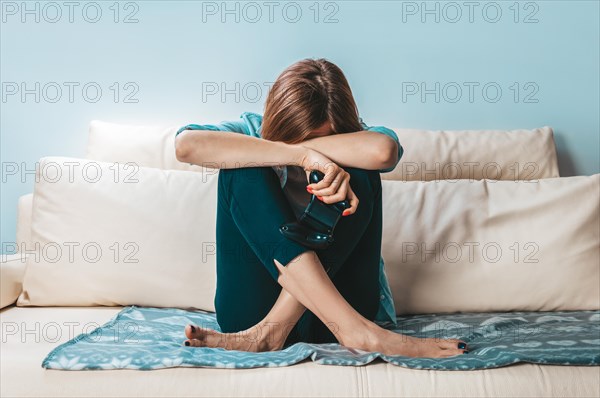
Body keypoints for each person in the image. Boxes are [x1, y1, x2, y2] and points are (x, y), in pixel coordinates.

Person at [174, 58, 469, 357]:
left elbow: (383, 152)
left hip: (343, 308)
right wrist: (301, 156)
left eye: (322, 140)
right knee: (239, 166)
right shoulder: (252, 129)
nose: (311, 148)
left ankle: (277, 332)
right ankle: (348, 332)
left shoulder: (366, 137)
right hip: (251, 313)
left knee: (362, 170)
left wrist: (312, 154)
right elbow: (186, 146)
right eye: (300, 139)